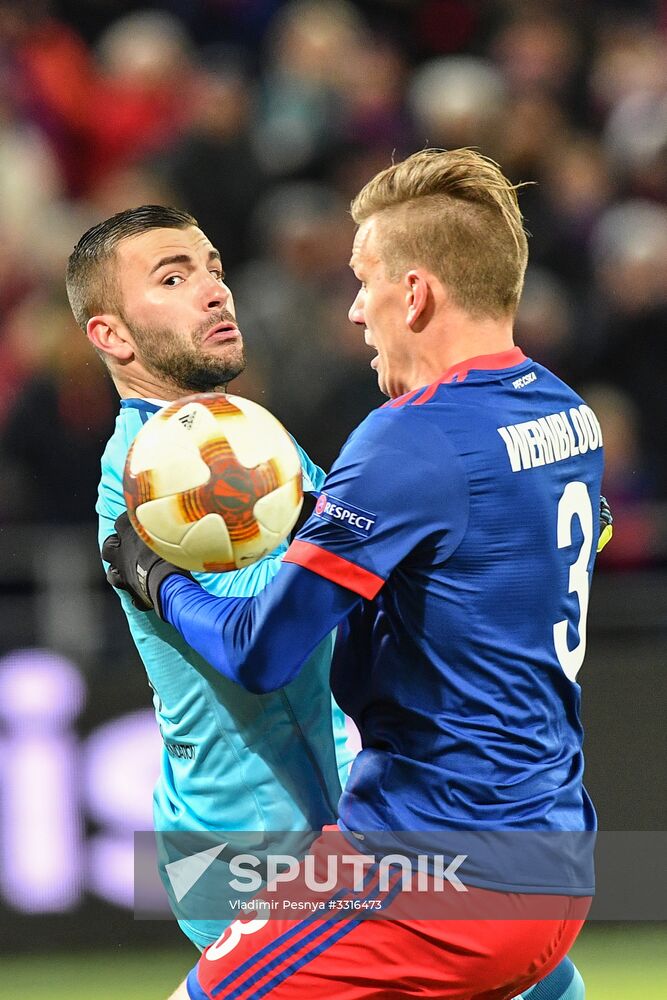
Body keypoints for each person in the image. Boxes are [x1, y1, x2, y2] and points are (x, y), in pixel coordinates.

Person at [104, 149, 605, 1000]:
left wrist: (154, 575)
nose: (354, 309)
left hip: (431, 874)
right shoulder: (568, 415)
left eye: (364, 281)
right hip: (557, 863)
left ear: (413, 294)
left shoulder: (410, 437)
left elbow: (261, 653)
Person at [65, 205, 354, 951]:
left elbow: (356, 555)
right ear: (112, 335)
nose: (214, 291)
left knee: (547, 981)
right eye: (173, 276)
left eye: (213, 269)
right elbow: (261, 645)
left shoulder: (247, 433)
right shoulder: (144, 481)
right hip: (247, 853)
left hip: (343, 819)